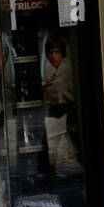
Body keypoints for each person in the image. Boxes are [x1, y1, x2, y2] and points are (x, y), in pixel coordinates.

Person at [42, 41, 79, 176]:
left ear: (63, 53)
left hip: (67, 111)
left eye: (57, 52)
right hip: (63, 113)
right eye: (50, 53)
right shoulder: (60, 69)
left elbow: (53, 90)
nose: (53, 56)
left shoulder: (66, 69)